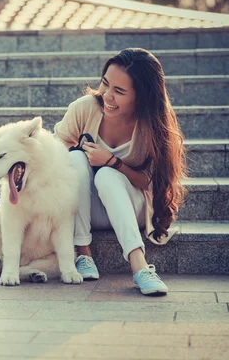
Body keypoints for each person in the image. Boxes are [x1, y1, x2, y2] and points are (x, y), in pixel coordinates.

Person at [53, 48, 187, 295]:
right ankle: (83, 254)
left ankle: (140, 267)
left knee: (106, 174)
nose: (107, 95)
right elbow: (54, 150)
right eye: (105, 84)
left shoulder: (153, 126)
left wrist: (113, 162)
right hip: (85, 208)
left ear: (142, 96)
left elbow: (147, 183)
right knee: (74, 160)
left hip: (131, 206)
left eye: (119, 91)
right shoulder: (84, 109)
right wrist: (78, 151)